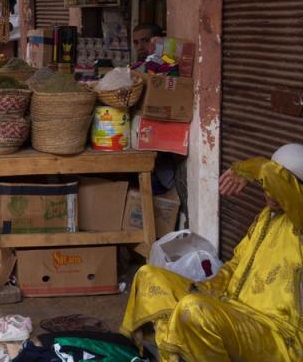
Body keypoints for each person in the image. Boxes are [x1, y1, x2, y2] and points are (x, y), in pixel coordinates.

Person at [121, 143, 303, 361]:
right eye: (266, 186)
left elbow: (276, 180)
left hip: (276, 334)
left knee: (193, 309)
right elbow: (236, 265)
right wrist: (207, 289)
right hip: (234, 310)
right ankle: (168, 353)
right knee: (149, 276)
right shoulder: (266, 216)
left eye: (277, 184)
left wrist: (248, 169)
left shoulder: (299, 223)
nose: (270, 193)